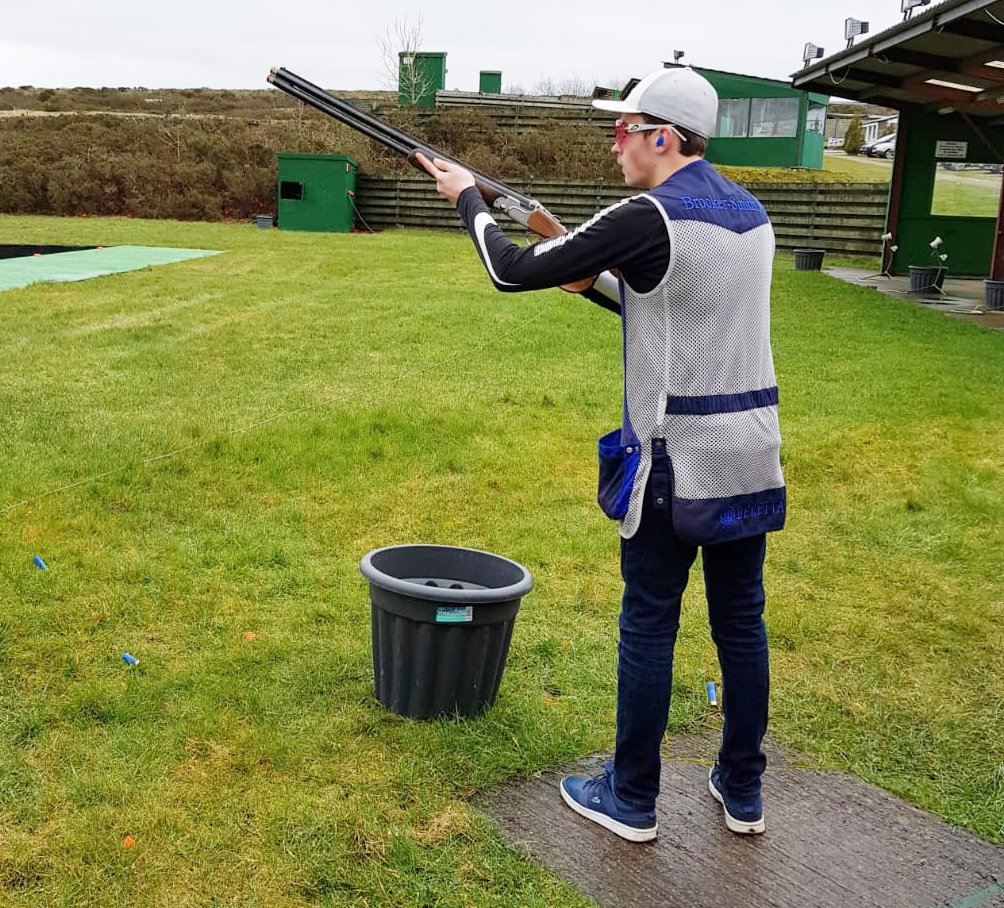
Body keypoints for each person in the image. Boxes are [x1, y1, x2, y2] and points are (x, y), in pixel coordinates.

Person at [417, 66, 785, 843]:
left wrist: (469, 201)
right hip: (749, 455)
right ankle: (743, 791)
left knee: (649, 624)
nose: (614, 142)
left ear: (663, 136)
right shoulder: (751, 213)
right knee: (741, 626)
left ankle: (632, 799)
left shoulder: (647, 214)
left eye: (625, 129)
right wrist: (582, 273)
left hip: (674, 460)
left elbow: (507, 270)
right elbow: (669, 302)